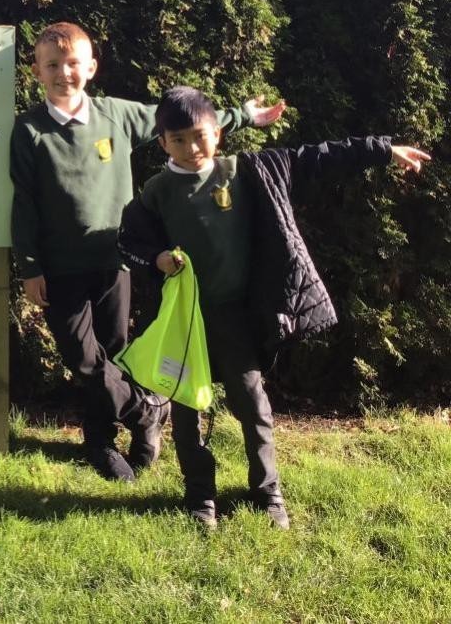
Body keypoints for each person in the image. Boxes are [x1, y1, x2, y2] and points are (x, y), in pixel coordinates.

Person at [117, 85, 428, 528]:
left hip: (236, 320)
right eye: (178, 139)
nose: (191, 148)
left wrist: (382, 150)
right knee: (187, 413)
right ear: (163, 142)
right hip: (187, 324)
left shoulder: (246, 172)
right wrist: (157, 258)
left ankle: (267, 493)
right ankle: (200, 496)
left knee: (253, 406)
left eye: (200, 136)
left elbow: (315, 157)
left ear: (218, 133)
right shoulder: (157, 191)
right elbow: (128, 242)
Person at [10, 22, 286, 482]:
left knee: (115, 354)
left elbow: (183, 123)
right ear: (36, 71)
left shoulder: (115, 115)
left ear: (91, 68)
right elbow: (24, 201)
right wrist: (30, 266)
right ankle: (145, 413)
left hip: (113, 261)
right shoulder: (29, 130)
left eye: (73, 63)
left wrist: (241, 115)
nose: (64, 73)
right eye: (52, 65)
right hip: (60, 267)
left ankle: (103, 442)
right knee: (83, 359)